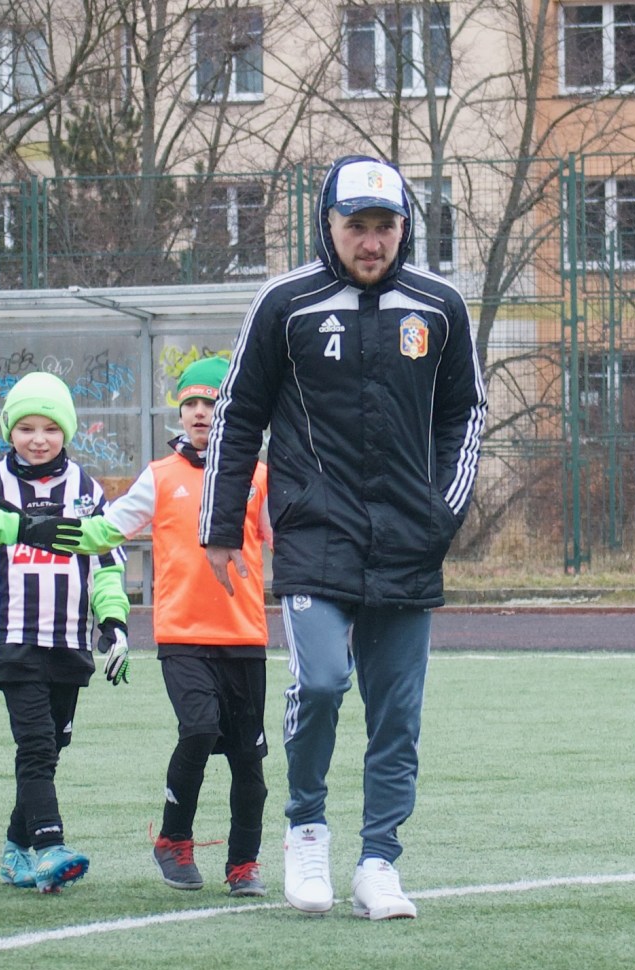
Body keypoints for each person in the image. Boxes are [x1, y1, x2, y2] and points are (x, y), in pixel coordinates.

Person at [200, 154, 486, 920]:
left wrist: (442, 513)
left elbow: (466, 414)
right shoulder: (285, 303)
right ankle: (306, 832)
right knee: (323, 683)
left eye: (384, 225)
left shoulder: (439, 306)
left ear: (404, 228)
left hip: (408, 541)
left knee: (396, 714)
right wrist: (222, 525)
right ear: (328, 224)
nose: (371, 240)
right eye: (356, 224)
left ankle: (379, 862)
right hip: (313, 535)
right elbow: (238, 414)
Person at [73, 356, 272, 897]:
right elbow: (104, 530)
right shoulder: (160, 477)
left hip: (245, 638)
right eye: (192, 404)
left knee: (248, 761)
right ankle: (173, 840)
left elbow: (292, 538)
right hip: (182, 635)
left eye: (213, 403)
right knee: (200, 729)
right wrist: (39, 531)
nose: (201, 412)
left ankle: (243, 864)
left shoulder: (257, 477)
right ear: (180, 413)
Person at [0, 371, 131, 894]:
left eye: (51, 428)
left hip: (69, 643)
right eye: (26, 428)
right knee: (36, 744)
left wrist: (114, 623)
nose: (38, 439)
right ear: (9, 431)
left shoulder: (86, 490)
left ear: (67, 432)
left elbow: (105, 567)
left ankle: (15, 849)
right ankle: (49, 846)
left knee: (51, 746)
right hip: (14, 640)